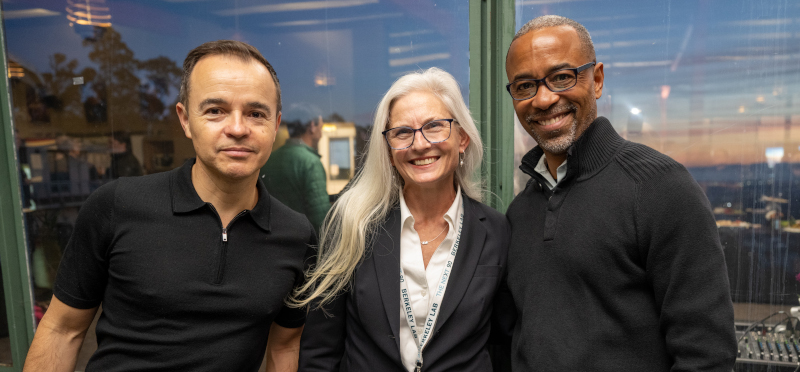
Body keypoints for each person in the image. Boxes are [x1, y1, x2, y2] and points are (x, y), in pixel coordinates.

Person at [23, 40, 315, 372]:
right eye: (215, 110)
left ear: (275, 125)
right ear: (185, 119)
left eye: (255, 113)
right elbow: (63, 330)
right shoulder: (117, 205)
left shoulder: (296, 235)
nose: (237, 128)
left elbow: (286, 346)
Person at [504, 15, 736, 371]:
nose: (544, 98)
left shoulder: (662, 189)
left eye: (562, 77)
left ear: (596, 80)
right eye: (524, 86)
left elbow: (707, 356)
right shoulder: (520, 212)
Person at [297, 68, 513, 372]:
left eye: (434, 126)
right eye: (402, 133)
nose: (420, 144)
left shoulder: (496, 230)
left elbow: (503, 345)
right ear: (387, 150)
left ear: (462, 138)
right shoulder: (351, 225)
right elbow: (320, 351)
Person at [260, 103, 330, 233]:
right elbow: (320, 219)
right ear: (312, 126)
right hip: (302, 243)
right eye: (321, 126)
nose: (321, 133)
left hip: (271, 237)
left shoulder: (269, 159)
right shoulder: (310, 162)